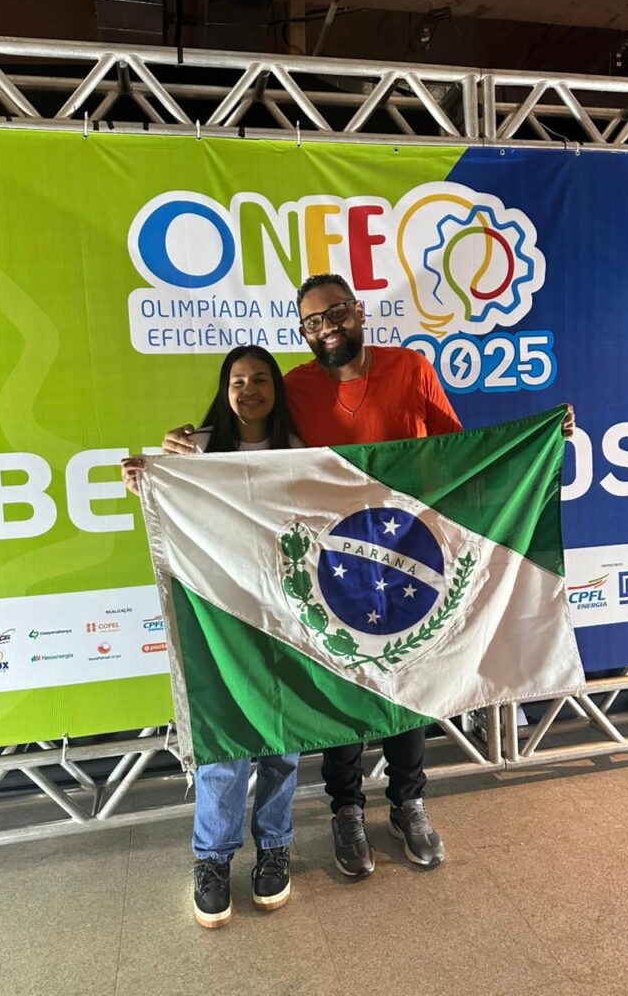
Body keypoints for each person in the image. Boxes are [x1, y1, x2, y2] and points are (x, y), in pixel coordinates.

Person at [163, 274, 576, 881]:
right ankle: (347, 811)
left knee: (415, 678)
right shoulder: (294, 387)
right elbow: (250, 455)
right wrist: (176, 453)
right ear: (302, 333)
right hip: (334, 562)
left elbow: (462, 452)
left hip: (411, 554)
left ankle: (409, 803)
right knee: (341, 680)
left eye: (334, 314)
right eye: (311, 322)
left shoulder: (410, 368)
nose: (325, 327)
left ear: (357, 312)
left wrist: (536, 440)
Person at [122, 344, 302, 929]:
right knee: (225, 743)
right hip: (218, 616)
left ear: (276, 388)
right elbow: (160, 497)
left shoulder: (302, 452)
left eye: (259, 379)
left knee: (281, 738)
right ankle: (212, 859)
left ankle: (275, 845)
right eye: (237, 381)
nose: (248, 390)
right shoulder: (195, 448)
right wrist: (143, 481)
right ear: (224, 391)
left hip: (287, 617)